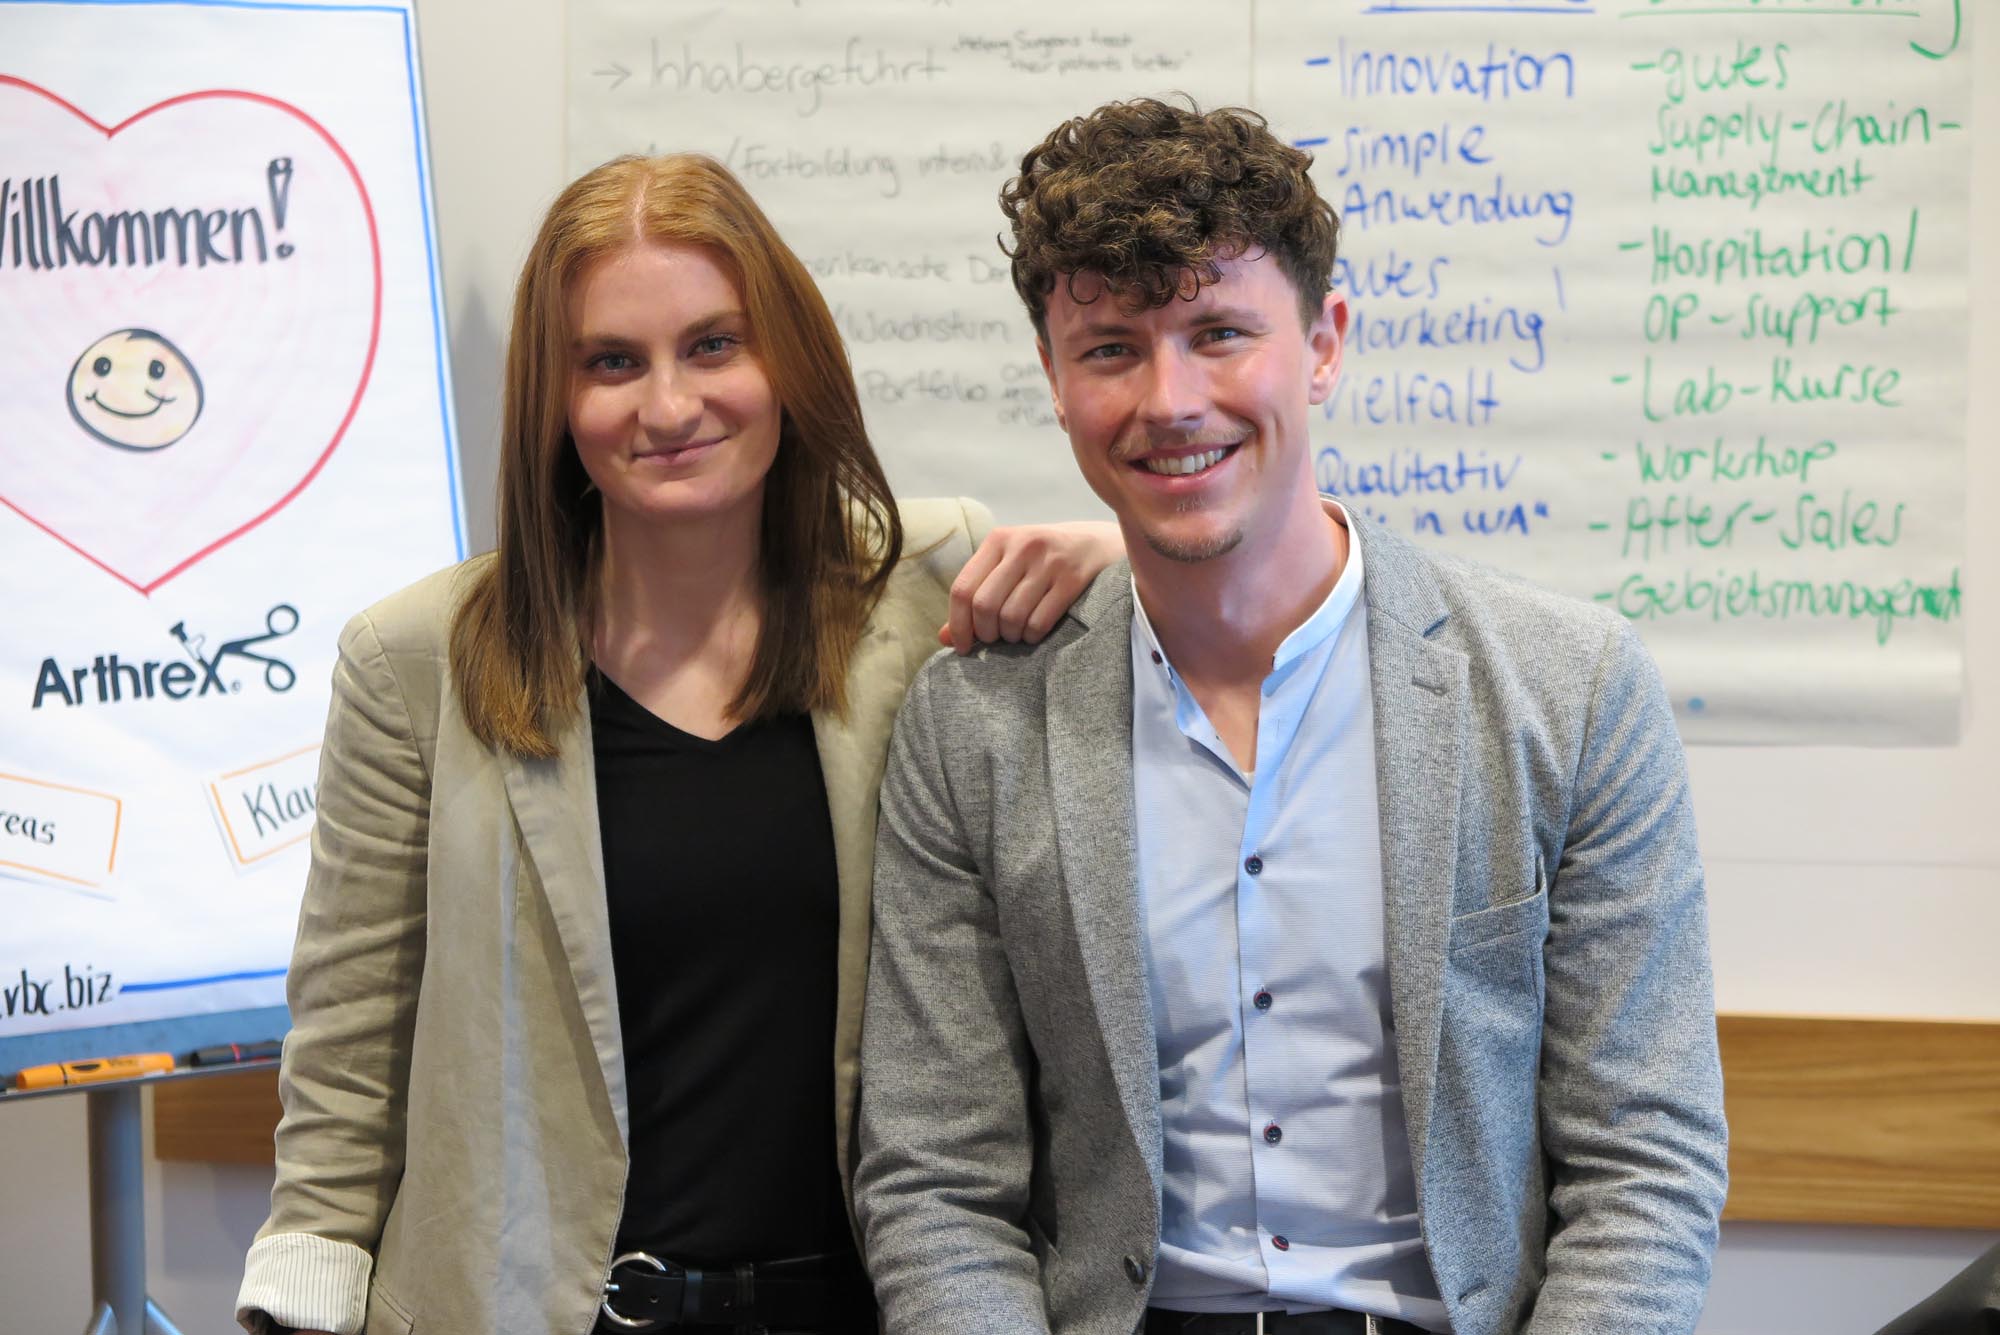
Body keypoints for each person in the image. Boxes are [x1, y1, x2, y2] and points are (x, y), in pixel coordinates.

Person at [855, 98, 1730, 1335]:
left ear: (1322, 344)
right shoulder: (977, 723)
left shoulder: (1567, 691)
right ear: (1052, 378)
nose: (1169, 400)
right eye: (1109, 349)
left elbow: (1644, 1165)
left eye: (1218, 333)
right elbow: (935, 1182)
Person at [233, 152, 1121, 1335]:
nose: (666, 407)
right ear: (553, 398)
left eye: (712, 346)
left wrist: (1124, 553)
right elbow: (347, 1073)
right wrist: (296, 1305)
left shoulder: (927, 591)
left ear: (787, 356)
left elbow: (1239, 574)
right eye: (611, 362)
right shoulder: (415, 663)